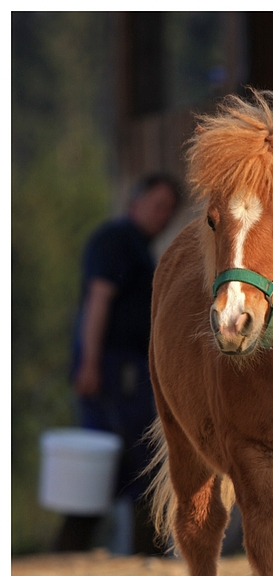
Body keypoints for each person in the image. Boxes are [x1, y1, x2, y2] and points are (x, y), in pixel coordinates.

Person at [54, 173, 180, 554]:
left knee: (133, 459)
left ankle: (147, 551)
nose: (163, 216)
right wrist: (90, 362)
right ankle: (74, 550)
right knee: (124, 455)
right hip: (112, 369)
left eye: (169, 211)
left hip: (132, 370)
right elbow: (98, 301)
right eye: (158, 206)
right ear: (136, 201)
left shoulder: (141, 249)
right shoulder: (115, 240)